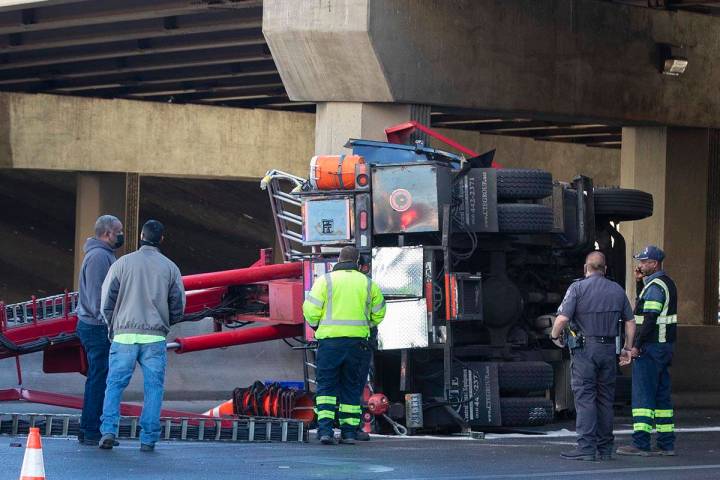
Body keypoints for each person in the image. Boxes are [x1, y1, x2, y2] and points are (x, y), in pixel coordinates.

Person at [98, 220, 186, 452]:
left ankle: (108, 430)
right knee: (154, 388)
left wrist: (114, 326)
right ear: (162, 240)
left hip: (124, 336)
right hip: (154, 337)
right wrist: (167, 322)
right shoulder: (170, 268)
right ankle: (148, 439)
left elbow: (106, 301)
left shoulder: (122, 264)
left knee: (114, 385)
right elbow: (178, 305)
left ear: (140, 236)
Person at [551, 251, 636, 461]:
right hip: (608, 351)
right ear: (605, 269)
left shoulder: (577, 288)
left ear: (585, 268)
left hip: (585, 352)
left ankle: (586, 448)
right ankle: (605, 449)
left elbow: (562, 319)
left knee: (586, 398)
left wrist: (554, 336)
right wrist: (627, 347)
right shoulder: (617, 289)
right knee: (605, 400)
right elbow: (630, 322)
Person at [302, 246, 386, 445]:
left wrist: (318, 326)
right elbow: (379, 313)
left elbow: (310, 310)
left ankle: (325, 431)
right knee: (351, 387)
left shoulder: (325, 281)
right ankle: (348, 433)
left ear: (338, 260)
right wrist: (366, 325)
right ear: (357, 263)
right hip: (358, 345)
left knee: (326, 387)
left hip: (330, 344)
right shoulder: (368, 284)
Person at [617, 245, 677, 457]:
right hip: (664, 348)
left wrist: (635, 346)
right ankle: (666, 443)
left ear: (654, 263)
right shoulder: (663, 283)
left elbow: (648, 319)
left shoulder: (655, 287)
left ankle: (640, 443)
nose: (640, 265)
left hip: (651, 348)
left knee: (643, 396)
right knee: (662, 397)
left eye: (643, 262)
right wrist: (638, 282)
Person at [75, 215, 124, 446]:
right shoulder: (99, 258)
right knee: (98, 378)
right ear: (107, 234)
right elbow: (97, 299)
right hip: (96, 327)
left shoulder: (101, 255)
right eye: (119, 231)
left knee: (98, 377)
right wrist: (110, 323)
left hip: (92, 325)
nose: (121, 235)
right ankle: (90, 429)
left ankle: (89, 427)